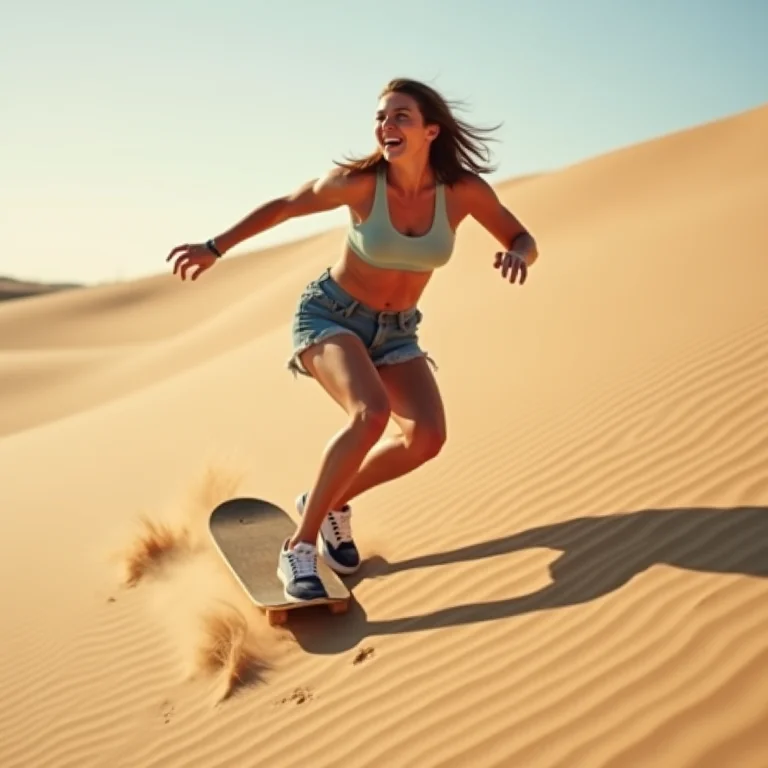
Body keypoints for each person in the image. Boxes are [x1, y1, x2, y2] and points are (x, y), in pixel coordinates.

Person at [167, 77, 539, 604]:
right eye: (381, 118)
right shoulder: (361, 184)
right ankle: (298, 548)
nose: (386, 126)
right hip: (331, 316)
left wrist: (519, 255)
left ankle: (326, 505)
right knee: (371, 414)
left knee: (427, 438)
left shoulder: (462, 192)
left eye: (400, 117)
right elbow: (285, 206)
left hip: (398, 332)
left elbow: (521, 236)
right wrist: (213, 246)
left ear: (431, 130)